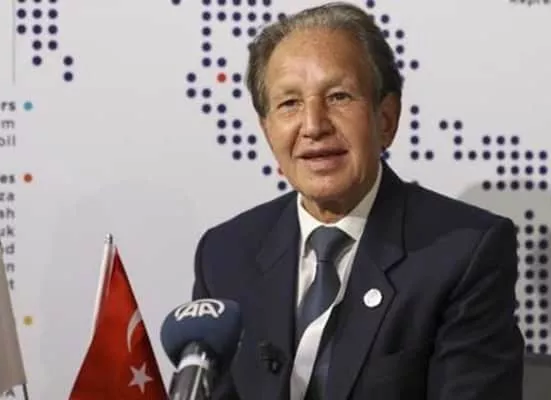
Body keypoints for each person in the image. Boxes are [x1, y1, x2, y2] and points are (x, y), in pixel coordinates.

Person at [190, 2, 524, 399]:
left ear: (386, 119)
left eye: (338, 96)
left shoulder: (464, 254)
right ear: (267, 130)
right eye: (290, 103)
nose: (313, 126)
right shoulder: (225, 255)